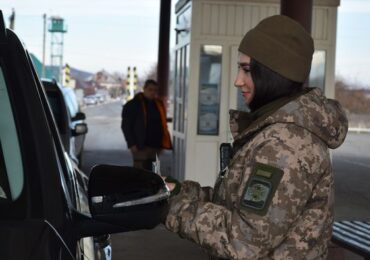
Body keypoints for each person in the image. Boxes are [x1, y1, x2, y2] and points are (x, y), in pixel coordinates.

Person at [163, 15, 348, 259]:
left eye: (247, 70)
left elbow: (243, 242)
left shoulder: (285, 144)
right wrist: (176, 192)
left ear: (273, 74)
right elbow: (237, 204)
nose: (238, 81)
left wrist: (170, 209)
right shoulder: (273, 130)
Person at [121, 79, 172, 170]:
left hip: (156, 145)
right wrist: (131, 144)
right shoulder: (133, 104)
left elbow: (162, 123)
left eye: (155, 90)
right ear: (144, 89)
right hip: (140, 146)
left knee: (154, 173)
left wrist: (163, 143)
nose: (153, 92)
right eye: (150, 89)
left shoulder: (159, 104)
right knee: (140, 174)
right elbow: (126, 126)